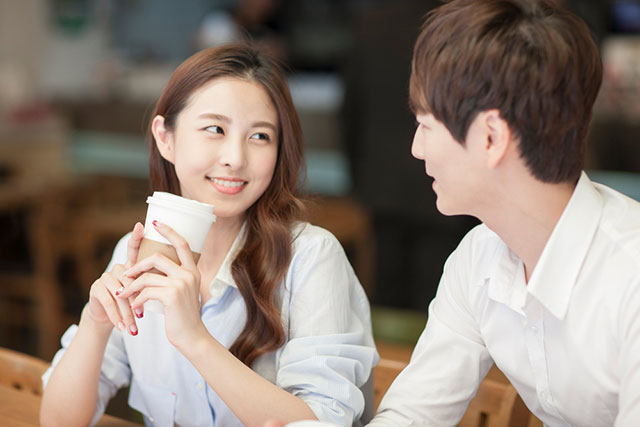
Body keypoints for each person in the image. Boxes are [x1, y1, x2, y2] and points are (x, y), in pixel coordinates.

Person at [268, 0, 640, 426]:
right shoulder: (478, 258)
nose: (416, 149)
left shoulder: (629, 278)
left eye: (426, 125)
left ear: (491, 137)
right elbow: (413, 415)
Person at [40, 44, 378, 427]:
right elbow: (58, 422)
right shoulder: (134, 257)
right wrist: (95, 323)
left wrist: (195, 339)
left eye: (260, 136)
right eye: (215, 129)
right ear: (165, 138)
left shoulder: (311, 258)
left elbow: (323, 421)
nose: (235, 158)